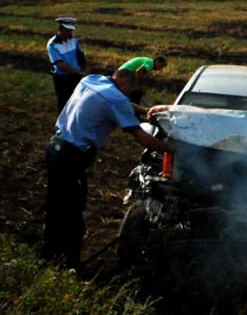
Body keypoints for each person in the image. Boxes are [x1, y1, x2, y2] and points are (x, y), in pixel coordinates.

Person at [41, 69, 174, 269]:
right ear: (127, 85)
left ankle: (48, 255)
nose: (128, 95)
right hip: (71, 157)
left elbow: (120, 103)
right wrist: (172, 149)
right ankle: (68, 265)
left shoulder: (92, 80)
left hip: (54, 149)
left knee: (56, 207)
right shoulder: (116, 99)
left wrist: (143, 110)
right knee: (72, 215)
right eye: (130, 90)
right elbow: (140, 136)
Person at [47, 17, 86, 112]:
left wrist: (84, 69)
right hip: (62, 78)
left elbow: (80, 55)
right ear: (60, 29)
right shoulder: (52, 45)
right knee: (64, 102)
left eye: (71, 31)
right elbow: (60, 64)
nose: (70, 33)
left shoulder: (74, 41)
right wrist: (77, 72)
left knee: (76, 100)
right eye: (67, 31)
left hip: (76, 76)